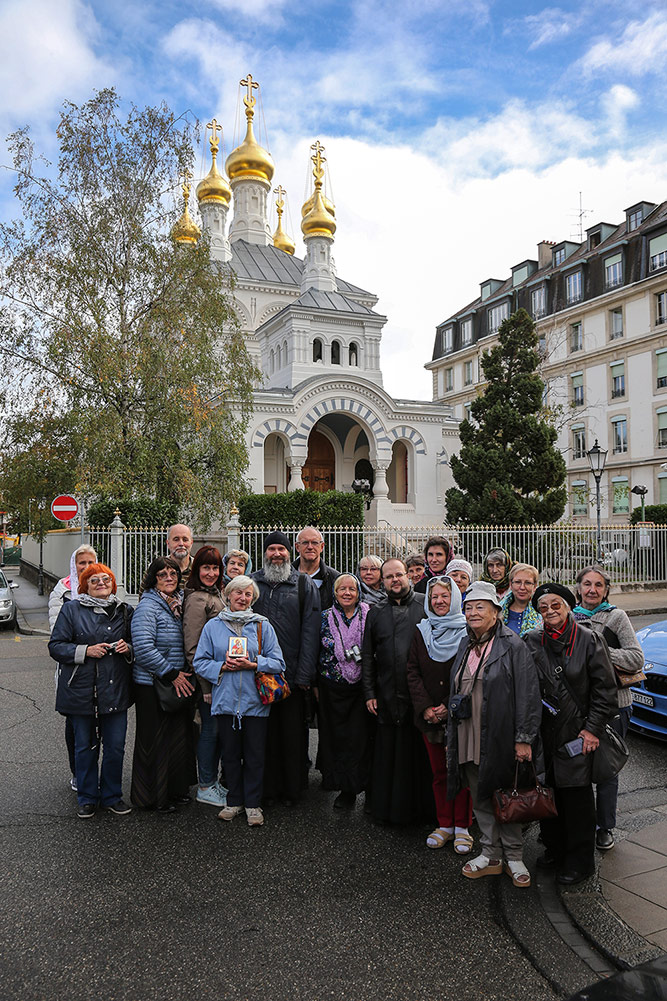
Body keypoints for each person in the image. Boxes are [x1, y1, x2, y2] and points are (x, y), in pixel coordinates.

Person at [446, 581, 541, 888]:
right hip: (468, 731)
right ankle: (490, 855)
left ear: (496, 612)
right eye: (469, 607)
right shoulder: (465, 642)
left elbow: (528, 694)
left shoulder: (513, 645)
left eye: (480, 607)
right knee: (480, 794)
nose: (473, 612)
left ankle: (514, 856)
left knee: (506, 795)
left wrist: (523, 738)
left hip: (500, 733)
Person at [525, 583, 618, 884]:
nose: (550, 611)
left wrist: (591, 731)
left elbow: (605, 691)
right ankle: (554, 848)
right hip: (543, 732)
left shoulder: (591, 641)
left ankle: (580, 861)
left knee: (576, 799)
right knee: (548, 794)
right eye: (543, 607)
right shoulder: (531, 640)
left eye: (556, 605)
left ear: (568, 606)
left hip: (576, 732)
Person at [194, 575, 286, 827]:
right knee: (231, 755)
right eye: (238, 593)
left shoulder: (262, 625)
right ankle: (234, 801)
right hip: (225, 702)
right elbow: (199, 662)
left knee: (255, 755)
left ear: (252, 599)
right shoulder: (213, 626)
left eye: (248, 594)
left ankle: (253, 804)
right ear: (228, 595)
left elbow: (279, 663)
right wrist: (222, 666)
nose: (242, 598)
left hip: (255, 702)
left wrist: (254, 664)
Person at [49, 563, 133, 818]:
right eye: (94, 580)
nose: (101, 583)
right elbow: (56, 646)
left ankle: (112, 796)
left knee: (115, 746)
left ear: (113, 584)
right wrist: (85, 651)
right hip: (81, 690)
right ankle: (87, 797)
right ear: (84, 585)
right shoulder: (71, 609)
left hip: (114, 689)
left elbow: (135, 643)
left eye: (106, 579)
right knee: (85, 746)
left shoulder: (125, 611)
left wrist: (128, 648)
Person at [573, 566, 644, 851]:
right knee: (576, 770)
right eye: (587, 584)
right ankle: (581, 824)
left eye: (598, 585)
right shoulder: (568, 616)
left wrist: (598, 647)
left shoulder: (616, 616)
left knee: (607, 771)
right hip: (578, 709)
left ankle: (605, 827)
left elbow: (636, 658)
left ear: (606, 589)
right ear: (578, 588)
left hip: (615, 707)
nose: (592, 590)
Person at [362, 558, 433, 824]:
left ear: (409, 576)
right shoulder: (376, 611)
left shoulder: (426, 605)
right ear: (383, 581)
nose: (395, 580)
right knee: (389, 756)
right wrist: (369, 692)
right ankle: (388, 811)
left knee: (419, 755)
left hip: (419, 695)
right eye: (389, 577)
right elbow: (368, 655)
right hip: (386, 693)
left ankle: (423, 812)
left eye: (399, 575)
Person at [252, 531, 321, 806]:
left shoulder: (303, 584)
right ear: (265, 553)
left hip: (291, 674)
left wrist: (304, 674)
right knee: (263, 736)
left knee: (292, 735)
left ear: (289, 552)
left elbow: (311, 631)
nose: (277, 554)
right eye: (272, 549)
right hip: (258, 672)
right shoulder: (253, 582)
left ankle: (293, 790)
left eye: (281, 549)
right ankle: (267, 790)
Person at [407, 576, 473, 852]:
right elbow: (412, 671)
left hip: (460, 715)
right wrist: (426, 708)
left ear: (455, 598)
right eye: (434, 597)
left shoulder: (468, 631)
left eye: (445, 596)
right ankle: (444, 824)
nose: (439, 601)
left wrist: (449, 705)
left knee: (463, 773)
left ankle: (463, 827)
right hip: (431, 718)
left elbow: (470, 673)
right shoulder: (421, 631)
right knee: (439, 773)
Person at [131, 556, 197, 812]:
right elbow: (144, 648)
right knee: (154, 742)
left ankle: (174, 790)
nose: (169, 578)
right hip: (152, 684)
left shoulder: (177, 604)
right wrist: (172, 674)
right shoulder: (148, 607)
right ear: (153, 579)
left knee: (175, 740)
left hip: (174, 682)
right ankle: (152, 798)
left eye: (173, 574)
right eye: (162, 575)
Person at [316, 574, 372, 809]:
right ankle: (345, 790)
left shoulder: (370, 615)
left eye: (352, 589)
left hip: (361, 689)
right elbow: (315, 648)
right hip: (332, 688)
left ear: (359, 592)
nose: (347, 593)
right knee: (338, 740)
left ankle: (368, 789)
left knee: (362, 741)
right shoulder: (325, 617)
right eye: (342, 589)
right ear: (335, 593)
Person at [48, 543, 98, 792]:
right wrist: (88, 647)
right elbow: (58, 637)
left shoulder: (104, 585)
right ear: (74, 565)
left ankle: (93, 773)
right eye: (82, 563)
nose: (87, 568)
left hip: (101, 672)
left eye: (91, 562)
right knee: (76, 726)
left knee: (97, 725)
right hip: (73, 671)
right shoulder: (62, 591)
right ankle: (79, 773)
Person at [182, 545, 227, 808]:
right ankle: (206, 785)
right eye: (206, 567)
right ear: (197, 569)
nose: (211, 572)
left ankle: (212, 782)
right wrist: (206, 686)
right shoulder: (198, 599)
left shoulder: (215, 593)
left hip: (220, 678)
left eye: (215, 567)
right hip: (208, 681)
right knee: (210, 732)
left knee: (218, 731)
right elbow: (193, 649)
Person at [294, 526, 340, 610]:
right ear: (297, 547)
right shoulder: (287, 576)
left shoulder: (334, 579)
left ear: (322, 547)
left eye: (315, 543)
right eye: (305, 542)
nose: (310, 547)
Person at [500, 563, 541, 637]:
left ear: (534, 586)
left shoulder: (541, 611)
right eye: (518, 582)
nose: (522, 587)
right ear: (510, 584)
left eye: (528, 583)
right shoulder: (498, 611)